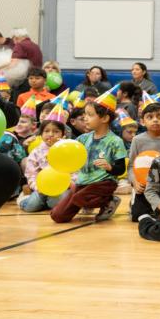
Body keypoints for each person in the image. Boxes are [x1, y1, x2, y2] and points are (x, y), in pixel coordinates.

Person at [50, 86, 128, 223]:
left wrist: (110, 167)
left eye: (90, 115)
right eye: (85, 114)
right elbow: (71, 153)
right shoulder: (83, 138)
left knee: (79, 198)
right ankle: (87, 200)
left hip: (104, 183)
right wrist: (61, 144)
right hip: (83, 182)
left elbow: (121, 169)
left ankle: (109, 201)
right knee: (58, 216)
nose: (85, 118)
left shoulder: (115, 141)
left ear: (104, 118)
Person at [128, 99, 160, 222]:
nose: (155, 120)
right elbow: (131, 166)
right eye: (150, 117)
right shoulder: (137, 140)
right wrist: (135, 182)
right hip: (145, 186)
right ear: (142, 121)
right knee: (137, 216)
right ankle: (135, 202)